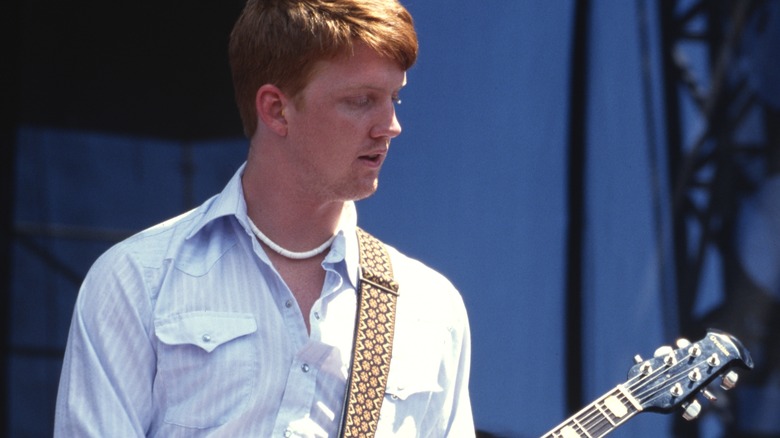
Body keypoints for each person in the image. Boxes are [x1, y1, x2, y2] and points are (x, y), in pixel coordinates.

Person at [54, 0, 474, 436]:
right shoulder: (135, 282)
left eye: (394, 97)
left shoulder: (430, 307)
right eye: (361, 100)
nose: (390, 125)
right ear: (276, 109)